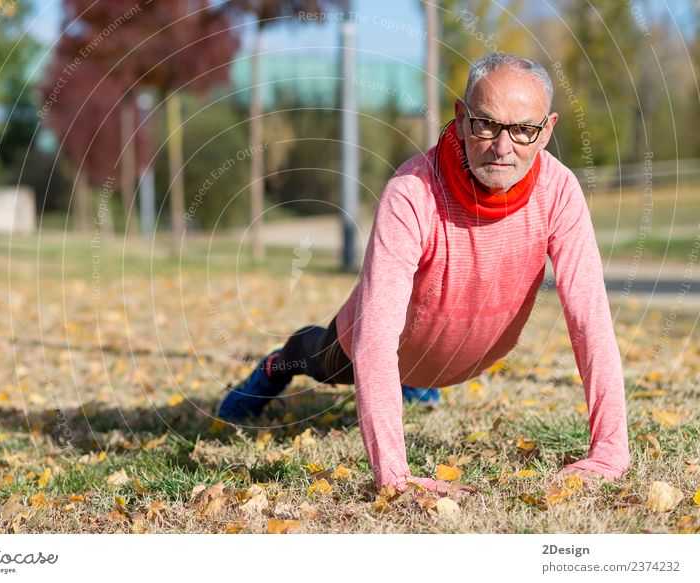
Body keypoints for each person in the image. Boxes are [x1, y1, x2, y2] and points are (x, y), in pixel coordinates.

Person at [217, 52, 630, 495]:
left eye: (523, 130)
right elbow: (375, 337)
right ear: (461, 116)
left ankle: (413, 383)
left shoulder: (560, 191)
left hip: (468, 355)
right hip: (384, 345)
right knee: (317, 356)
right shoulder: (412, 193)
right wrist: (395, 477)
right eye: (486, 123)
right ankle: (278, 366)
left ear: (546, 131)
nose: (502, 146)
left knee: (411, 373)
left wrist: (610, 449)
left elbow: (590, 318)